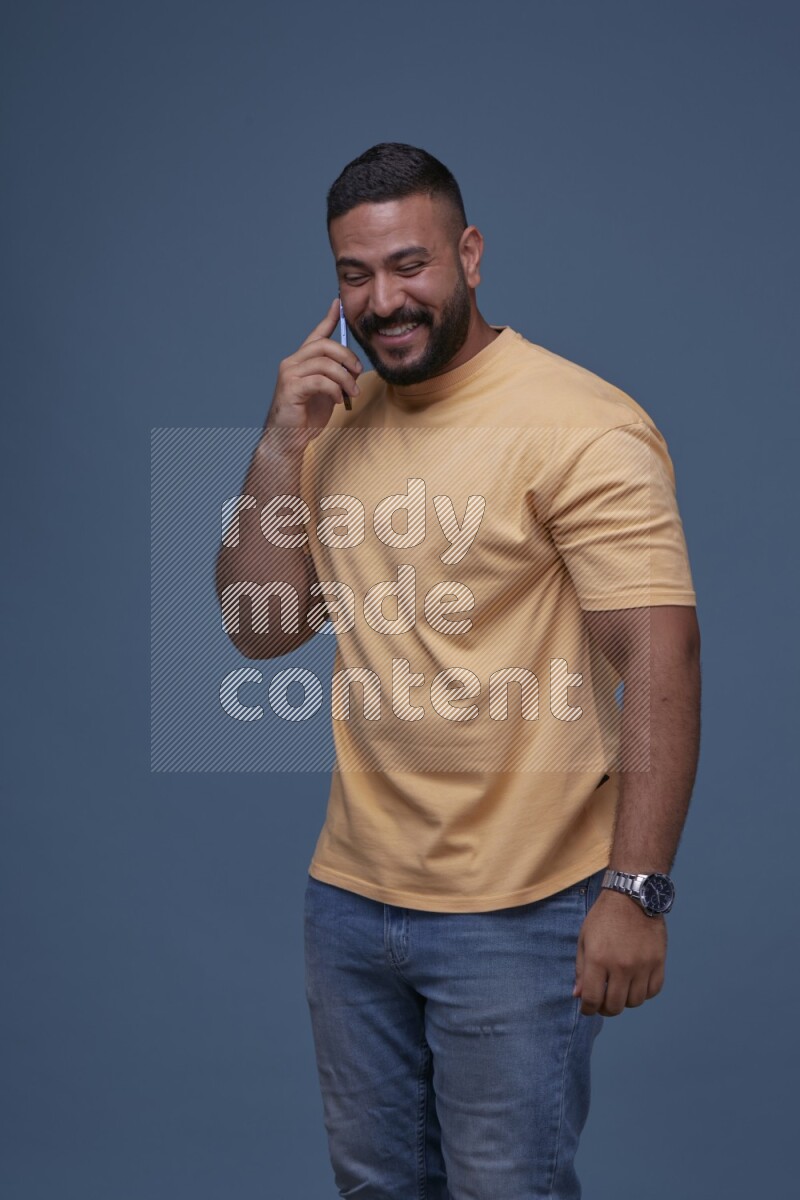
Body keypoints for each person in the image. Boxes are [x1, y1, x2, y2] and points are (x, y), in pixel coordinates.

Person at [215, 142, 701, 1200]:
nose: (382, 300)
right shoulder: (332, 418)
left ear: (469, 254)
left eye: (409, 265)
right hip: (350, 898)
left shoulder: (581, 425)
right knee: (377, 1190)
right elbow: (258, 628)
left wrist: (634, 889)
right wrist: (274, 446)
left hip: (523, 910)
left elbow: (660, 654)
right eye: (354, 274)